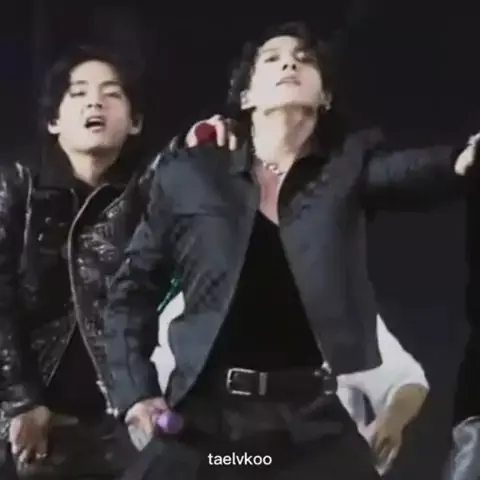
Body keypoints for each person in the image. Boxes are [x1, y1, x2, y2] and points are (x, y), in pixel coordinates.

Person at [103, 21, 478, 480]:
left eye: (304, 59)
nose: (289, 65)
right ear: (246, 96)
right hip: (209, 419)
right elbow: (132, 290)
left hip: (309, 421)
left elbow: (406, 173)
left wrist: (460, 161)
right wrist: (137, 394)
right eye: (273, 59)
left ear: (325, 97)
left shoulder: (345, 170)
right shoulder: (192, 174)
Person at [0, 44, 229, 480]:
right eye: (78, 93)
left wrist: (201, 141)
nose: (95, 102)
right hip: (27, 424)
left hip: (120, 423)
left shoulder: (146, 195)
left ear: (135, 122)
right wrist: (21, 403)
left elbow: (171, 168)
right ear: (53, 121)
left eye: (111, 93)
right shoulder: (15, 188)